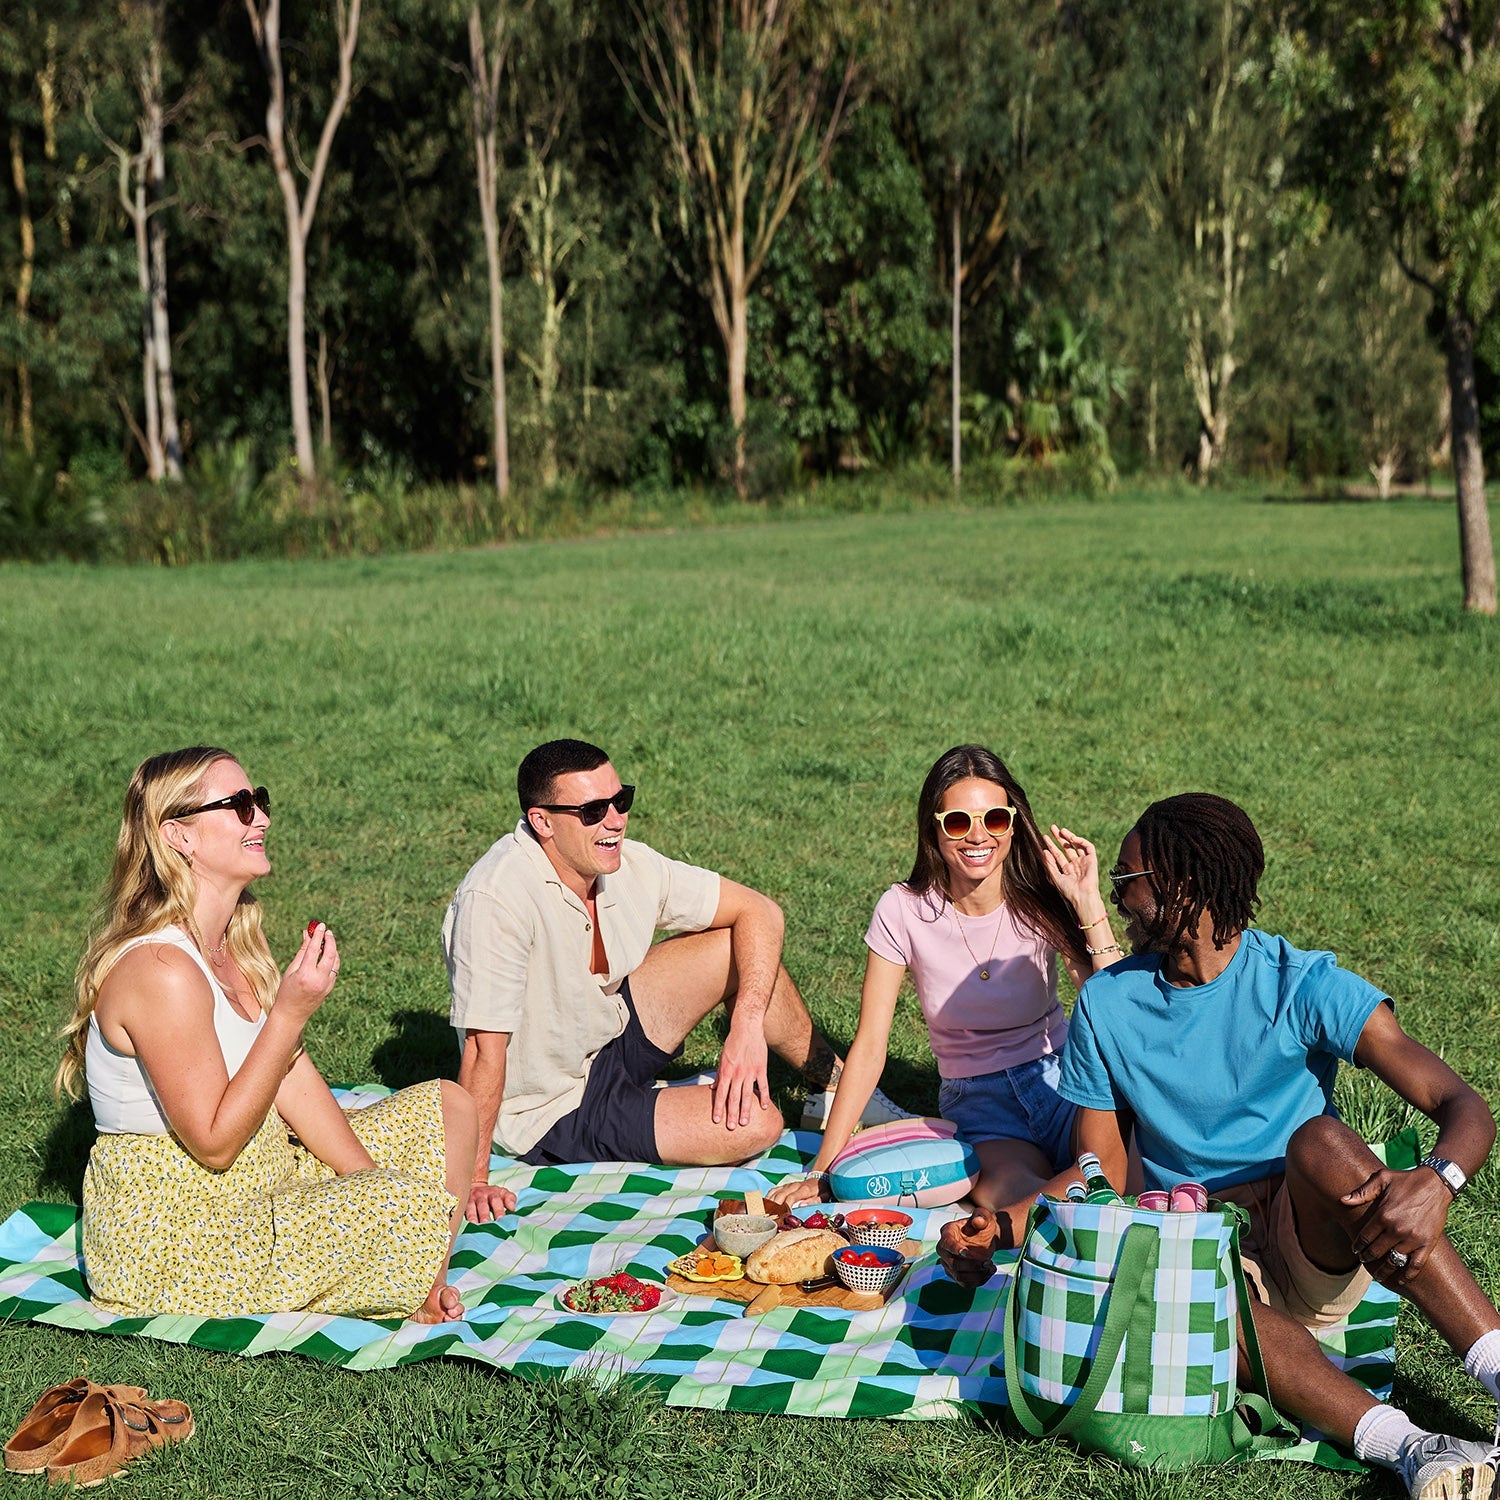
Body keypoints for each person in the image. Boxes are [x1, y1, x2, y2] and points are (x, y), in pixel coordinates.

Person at [940, 793, 1500, 1500]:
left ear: (1182, 887)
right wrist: (1003, 1228)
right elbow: (1096, 1172)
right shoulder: (1108, 1005)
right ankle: (1416, 1450)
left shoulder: (1298, 982)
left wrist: (1438, 1179)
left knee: (1323, 1141)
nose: (1117, 899)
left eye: (1127, 880)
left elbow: (1462, 1104)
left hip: (1316, 1238)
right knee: (1183, 1305)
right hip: (1206, 1253)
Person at [59, 747, 478, 1324]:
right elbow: (214, 1143)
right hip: (179, 1231)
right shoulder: (161, 970)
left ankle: (420, 1280)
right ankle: (416, 1283)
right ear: (179, 834)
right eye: (238, 804)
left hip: (263, 1175)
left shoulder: (233, 938)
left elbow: (291, 1079)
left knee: (450, 1109)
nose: (261, 817)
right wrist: (288, 1016)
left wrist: (369, 1181)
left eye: (259, 801)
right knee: (400, 1203)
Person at [443, 738, 901, 1222]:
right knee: (760, 1123)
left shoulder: (627, 864)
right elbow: (482, 1049)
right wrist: (475, 1179)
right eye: (593, 810)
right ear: (542, 822)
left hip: (607, 1032)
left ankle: (835, 1086)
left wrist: (746, 1027)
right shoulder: (495, 899)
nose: (615, 820)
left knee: (737, 948)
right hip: (554, 1107)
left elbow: (760, 910)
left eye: (621, 800)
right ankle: (676, 1101)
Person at [781, 745, 1123, 1221]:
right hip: (982, 1107)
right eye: (959, 823)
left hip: (1063, 1082)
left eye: (995, 820)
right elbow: (871, 1045)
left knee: (1127, 1172)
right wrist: (822, 1170)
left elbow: (1116, 1014)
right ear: (934, 829)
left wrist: (1088, 904)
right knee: (1028, 1205)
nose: (979, 837)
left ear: (1013, 825)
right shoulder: (903, 910)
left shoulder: (1042, 897)